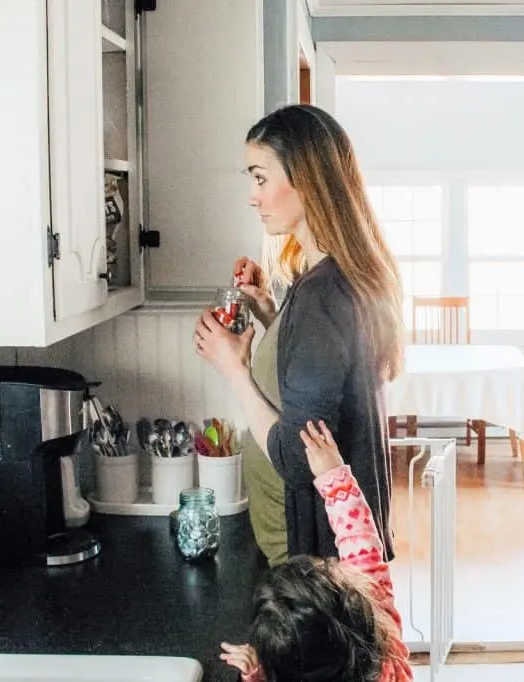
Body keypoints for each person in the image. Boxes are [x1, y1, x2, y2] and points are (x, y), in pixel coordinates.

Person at [193, 104, 403, 566]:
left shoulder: (321, 293)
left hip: (310, 557)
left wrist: (235, 370)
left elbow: (295, 457)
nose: (253, 196)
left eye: (261, 178)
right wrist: (270, 311)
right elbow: (323, 369)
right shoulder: (336, 277)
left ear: (306, 179)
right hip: (329, 548)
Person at [219, 420, 412, 681]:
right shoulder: (377, 613)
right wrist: (334, 476)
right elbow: (359, 540)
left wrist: (256, 676)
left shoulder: (372, 605)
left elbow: (359, 539)